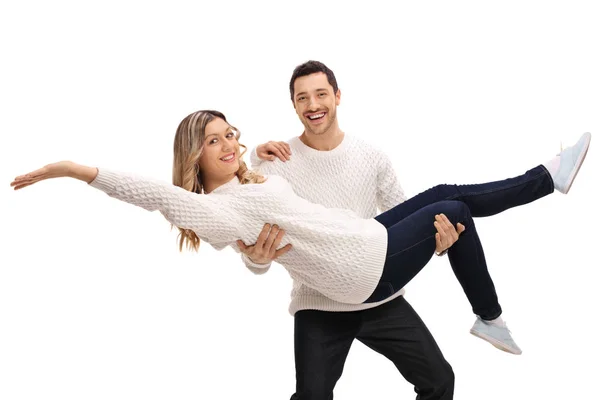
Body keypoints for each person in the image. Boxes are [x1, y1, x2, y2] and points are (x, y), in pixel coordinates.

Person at [11, 107, 590, 343]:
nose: (230, 143)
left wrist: (254, 152)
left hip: (367, 238)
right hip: (364, 269)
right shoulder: (212, 207)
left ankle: (543, 185)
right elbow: (150, 193)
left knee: (443, 194)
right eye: (214, 141)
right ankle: (492, 307)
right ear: (195, 159)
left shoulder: (250, 178)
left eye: (230, 131)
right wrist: (72, 169)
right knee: (456, 208)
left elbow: (262, 184)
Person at [235, 60, 592, 399]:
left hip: (376, 284)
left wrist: (440, 244)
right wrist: (257, 259)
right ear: (293, 106)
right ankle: (493, 306)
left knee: (439, 380)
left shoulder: (370, 156)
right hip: (321, 302)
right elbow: (252, 243)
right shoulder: (275, 165)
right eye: (302, 98)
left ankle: (545, 182)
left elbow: (403, 226)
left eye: (321, 94)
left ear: (337, 96)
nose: (313, 104)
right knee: (313, 395)